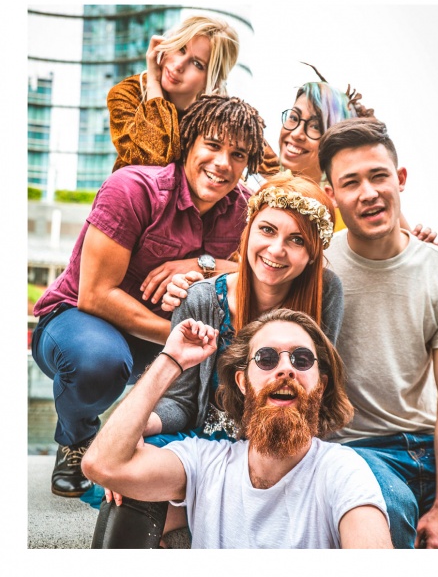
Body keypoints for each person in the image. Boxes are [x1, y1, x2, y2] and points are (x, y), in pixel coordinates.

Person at [88, 173, 344, 547]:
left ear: (312, 255)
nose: (276, 250)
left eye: (297, 240)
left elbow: (319, 395)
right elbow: (180, 401)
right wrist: (141, 425)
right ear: (248, 232)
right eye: (268, 230)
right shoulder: (202, 299)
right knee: (127, 489)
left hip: (279, 445)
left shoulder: (327, 292)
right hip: (203, 443)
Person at [30, 94, 267, 498]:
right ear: (189, 142)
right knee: (99, 363)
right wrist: (180, 339)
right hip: (78, 322)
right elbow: (95, 295)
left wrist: (202, 262)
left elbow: (265, 264)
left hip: (161, 338)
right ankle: (75, 439)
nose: (224, 163)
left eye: (238, 154)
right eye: (212, 145)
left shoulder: (247, 211)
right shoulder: (133, 188)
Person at [81, 310, 393, 549]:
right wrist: (171, 360)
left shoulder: (342, 471)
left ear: (321, 386)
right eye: (266, 358)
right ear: (243, 383)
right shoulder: (204, 462)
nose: (286, 368)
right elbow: (102, 464)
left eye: (302, 359)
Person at [317, 118, 438, 548]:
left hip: (433, 443)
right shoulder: (318, 269)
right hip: (360, 450)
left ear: (400, 179)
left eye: (378, 176)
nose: (368, 193)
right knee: (390, 516)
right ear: (332, 196)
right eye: (350, 183)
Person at [263, 63, 437, 243]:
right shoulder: (264, 193)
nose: (297, 133)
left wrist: (423, 250)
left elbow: (411, 249)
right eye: (293, 118)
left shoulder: (356, 202)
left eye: (315, 126)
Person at [107, 15, 279, 175]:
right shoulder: (128, 94)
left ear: (212, 79)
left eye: (197, 64)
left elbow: (274, 172)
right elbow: (152, 160)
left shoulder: (220, 117)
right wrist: (153, 82)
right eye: (181, 49)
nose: (179, 65)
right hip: (131, 203)